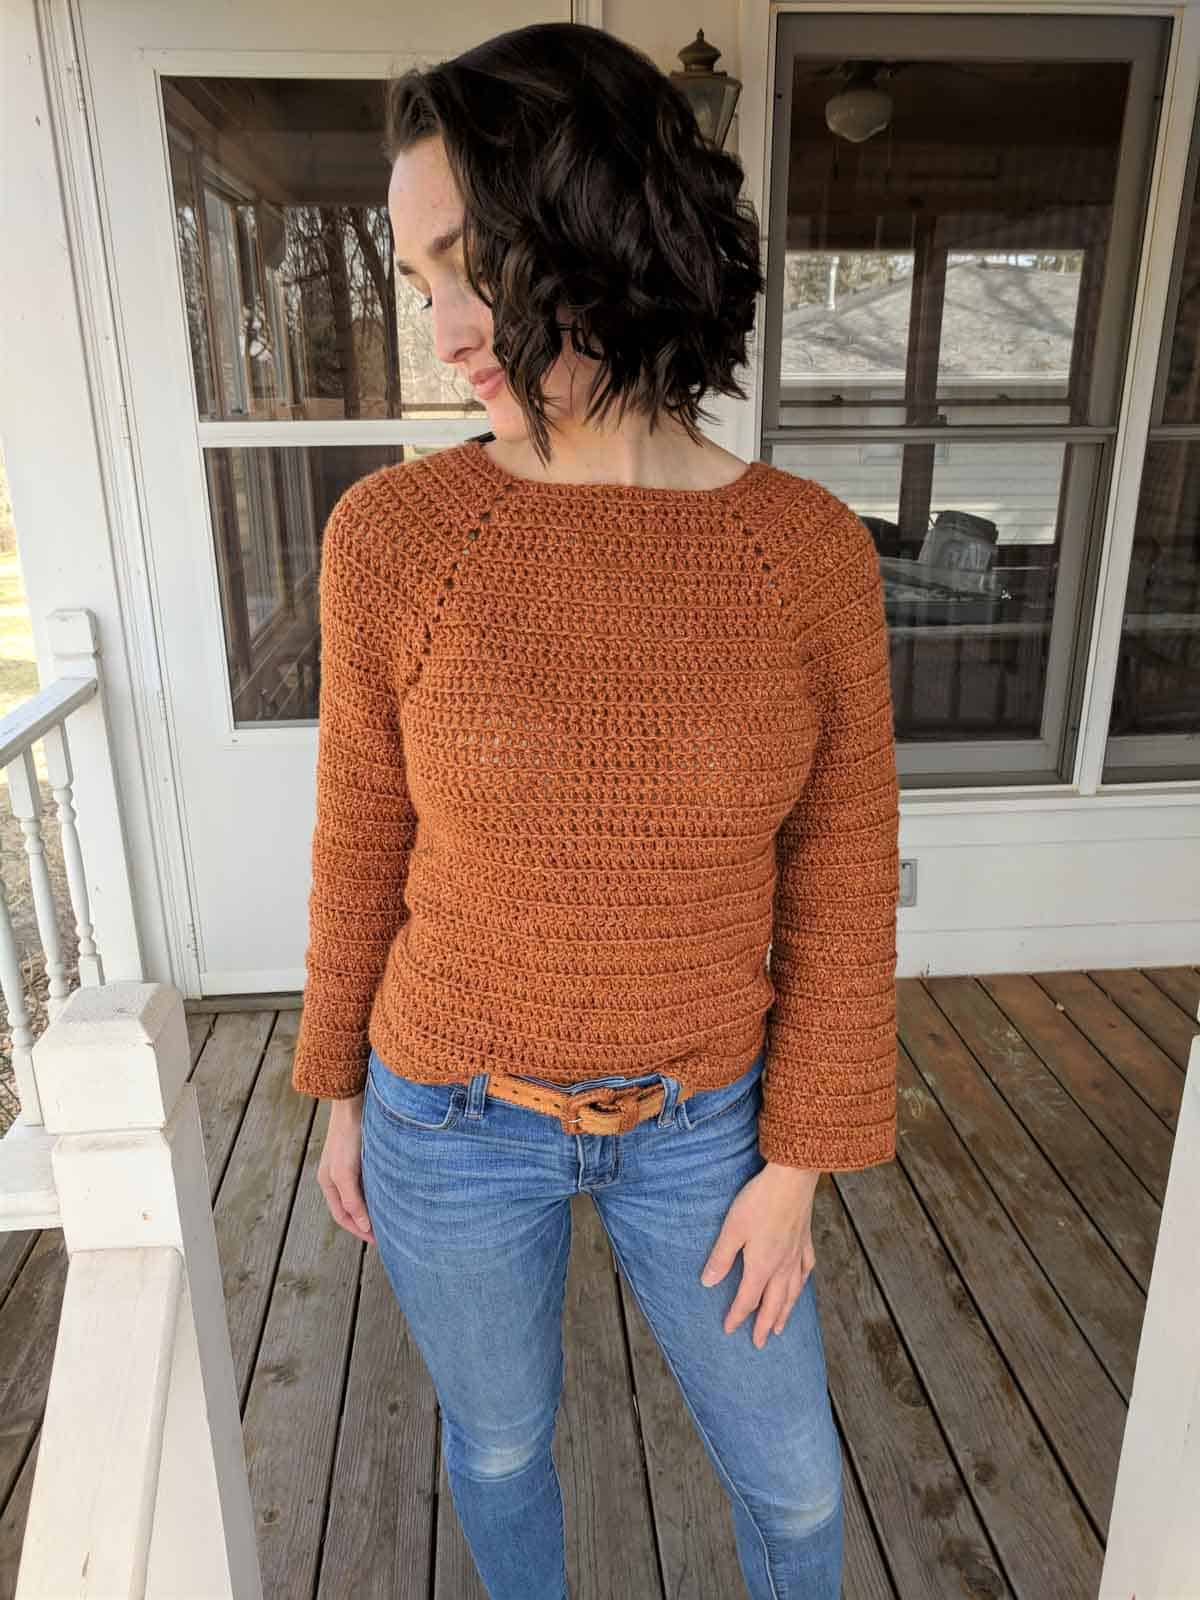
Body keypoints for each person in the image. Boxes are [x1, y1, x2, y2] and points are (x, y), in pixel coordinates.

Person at [291, 21, 899, 1600]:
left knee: (798, 1496)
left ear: (591, 225)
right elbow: (363, 829)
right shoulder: (397, 539)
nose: (440, 331)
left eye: (459, 267)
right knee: (498, 1453)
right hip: (450, 1118)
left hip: (712, 1129)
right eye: (415, 282)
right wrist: (341, 1085)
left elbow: (840, 872)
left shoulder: (804, 554)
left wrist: (797, 1168)